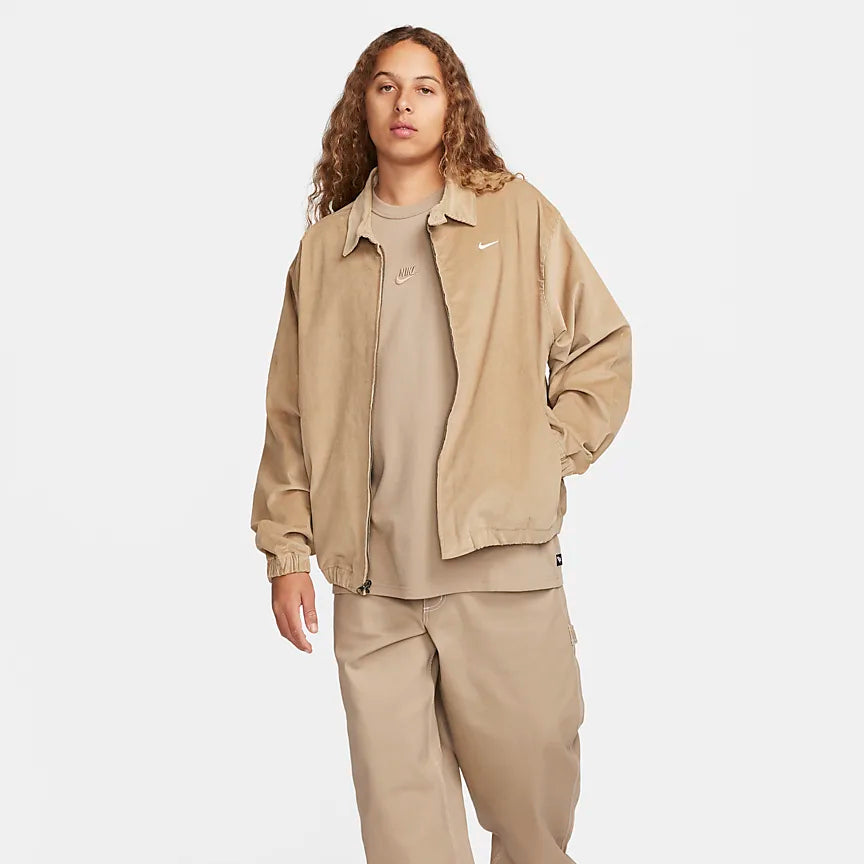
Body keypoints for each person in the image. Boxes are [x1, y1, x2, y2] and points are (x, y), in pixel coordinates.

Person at [250, 25, 633, 864]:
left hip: (501, 577)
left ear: (451, 105)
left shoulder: (516, 214)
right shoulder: (323, 252)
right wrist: (286, 552)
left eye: (425, 87)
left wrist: (540, 456)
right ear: (362, 107)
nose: (405, 103)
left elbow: (600, 349)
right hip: (373, 590)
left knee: (532, 829)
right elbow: (290, 416)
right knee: (404, 843)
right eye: (386, 86)